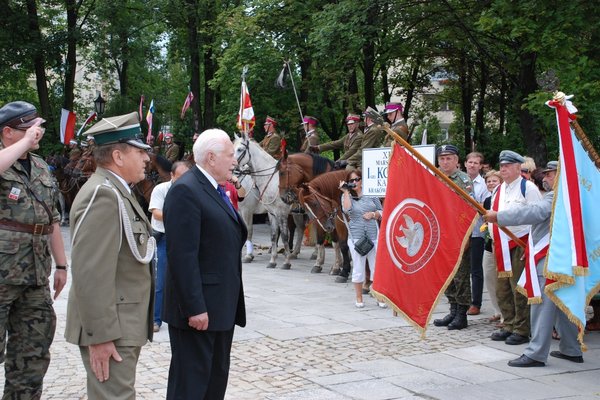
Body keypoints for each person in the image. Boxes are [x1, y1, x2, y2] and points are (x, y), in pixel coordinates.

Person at [65, 112, 155, 399]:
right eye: (140, 152)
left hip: (120, 323)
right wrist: (100, 337)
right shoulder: (104, 195)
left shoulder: (117, 191)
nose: (146, 159)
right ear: (118, 155)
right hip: (111, 328)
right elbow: (90, 272)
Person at [163, 128, 247, 399]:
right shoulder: (186, 190)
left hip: (220, 307)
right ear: (211, 158)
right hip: (199, 313)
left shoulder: (214, 189)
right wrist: (195, 307)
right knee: (191, 386)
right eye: (231, 155)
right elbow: (182, 256)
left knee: (213, 383)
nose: (235, 161)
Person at [484, 161, 583, 367]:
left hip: (549, 258)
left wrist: (498, 216)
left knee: (540, 304)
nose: (545, 178)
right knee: (563, 304)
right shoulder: (573, 195)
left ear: (560, 175)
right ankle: (571, 348)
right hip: (562, 257)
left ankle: (536, 353)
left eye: (549, 174)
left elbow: (532, 213)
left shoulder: (556, 197)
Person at [0, 101, 68, 398]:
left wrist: (62, 266)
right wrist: (24, 144)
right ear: (8, 132)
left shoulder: (40, 166)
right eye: (28, 129)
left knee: (33, 352)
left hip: (35, 275)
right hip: (2, 275)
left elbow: (50, 218)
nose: (36, 134)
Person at [488, 150, 542, 345]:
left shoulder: (528, 188)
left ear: (518, 168)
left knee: (519, 289)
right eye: (501, 166)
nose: (503, 169)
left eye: (507, 166)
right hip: (501, 244)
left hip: (520, 243)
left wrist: (530, 247)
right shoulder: (498, 190)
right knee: (502, 289)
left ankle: (522, 329)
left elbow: (538, 218)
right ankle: (509, 324)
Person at [433, 144, 473, 330]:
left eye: (449, 158)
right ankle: (453, 309)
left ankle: (462, 314)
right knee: (446, 274)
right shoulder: (434, 178)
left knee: (460, 275)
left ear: (457, 160)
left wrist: (465, 236)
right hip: (440, 234)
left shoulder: (463, 180)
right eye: (442, 158)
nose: (445, 161)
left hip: (458, 233)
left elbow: (469, 208)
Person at [148, 161, 191, 333]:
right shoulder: (161, 189)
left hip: (185, 238)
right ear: (172, 176)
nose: (183, 181)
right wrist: (179, 217)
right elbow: (156, 213)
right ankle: (155, 319)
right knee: (160, 280)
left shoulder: (192, 190)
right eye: (179, 178)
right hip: (163, 237)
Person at [339, 170, 383, 308]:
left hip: (373, 235)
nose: (354, 183)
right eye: (351, 181)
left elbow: (382, 212)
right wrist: (345, 191)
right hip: (356, 237)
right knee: (358, 268)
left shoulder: (371, 194)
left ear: (362, 180)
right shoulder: (346, 196)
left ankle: (379, 297)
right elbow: (347, 210)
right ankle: (359, 298)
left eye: (357, 179)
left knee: (377, 268)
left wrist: (373, 214)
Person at [464, 152, 489, 316]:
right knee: (461, 269)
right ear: (465, 164)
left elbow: (486, 206)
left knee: (476, 269)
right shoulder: (460, 180)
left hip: (477, 232)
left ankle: (476, 303)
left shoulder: (484, 185)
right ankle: (463, 300)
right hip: (460, 231)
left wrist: (471, 204)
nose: (472, 165)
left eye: (475, 163)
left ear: (480, 166)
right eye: (470, 162)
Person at [481, 170, 503, 324]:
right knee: (489, 277)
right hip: (489, 244)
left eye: (494, 181)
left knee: (503, 281)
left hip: (503, 244)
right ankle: (497, 310)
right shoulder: (487, 201)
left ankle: (505, 314)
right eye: (488, 181)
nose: (490, 183)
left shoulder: (504, 199)